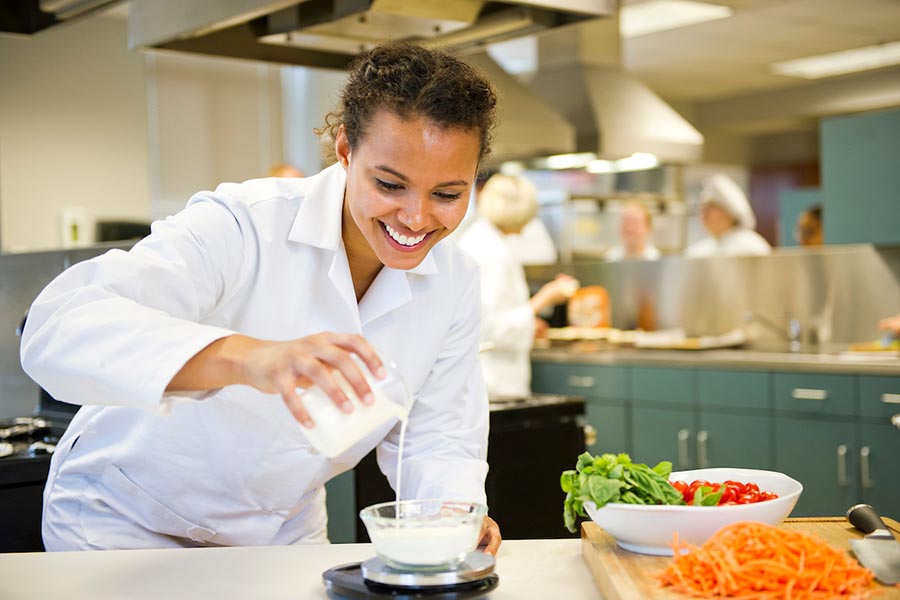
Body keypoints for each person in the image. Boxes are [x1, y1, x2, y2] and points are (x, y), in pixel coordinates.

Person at [20, 43, 502, 553]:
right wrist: (249, 357)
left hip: (280, 534)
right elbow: (57, 325)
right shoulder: (245, 223)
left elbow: (436, 436)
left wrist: (452, 515)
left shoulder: (455, 280)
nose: (416, 217)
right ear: (345, 151)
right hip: (125, 520)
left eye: (448, 194)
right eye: (389, 184)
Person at [456, 174, 578, 399]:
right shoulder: (490, 253)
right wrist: (544, 299)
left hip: (491, 380)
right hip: (494, 382)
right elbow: (489, 328)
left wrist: (531, 323)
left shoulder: (483, 241)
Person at [684, 174, 771, 258]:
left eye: (711, 207)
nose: (704, 213)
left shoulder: (751, 246)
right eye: (702, 208)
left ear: (729, 212)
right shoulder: (699, 250)